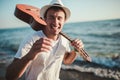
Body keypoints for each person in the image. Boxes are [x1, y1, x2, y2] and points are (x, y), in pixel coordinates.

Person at [6, 0, 84, 80]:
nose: (55, 22)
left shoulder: (64, 39)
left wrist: (76, 50)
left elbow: (66, 61)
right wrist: (30, 55)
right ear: (45, 19)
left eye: (59, 18)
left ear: (64, 21)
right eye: (51, 17)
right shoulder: (31, 39)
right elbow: (9, 76)